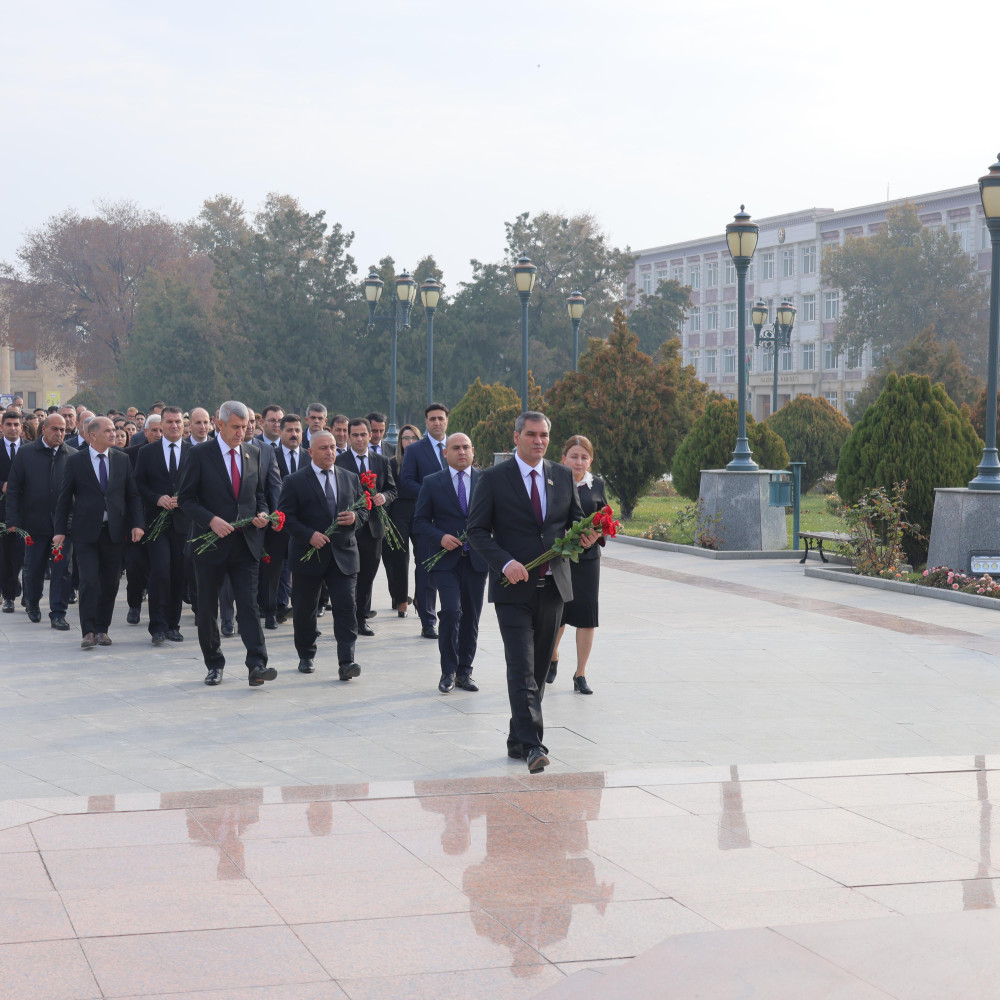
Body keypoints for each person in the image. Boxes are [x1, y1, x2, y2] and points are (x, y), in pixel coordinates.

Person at [466, 411, 595, 774]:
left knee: (538, 670)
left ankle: (516, 738)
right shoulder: (493, 479)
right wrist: (504, 563)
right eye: (532, 435)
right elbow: (475, 531)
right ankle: (534, 745)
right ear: (517, 436)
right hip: (513, 590)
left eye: (544, 436)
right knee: (520, 666)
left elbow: (573, 521)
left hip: (553, 587)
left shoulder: (561, 475)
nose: (539, 441)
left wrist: (586, 536)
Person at [177, 400, 274, 687]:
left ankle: (257, 664)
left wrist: (263, 514)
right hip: (210, 545)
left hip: (246, 544)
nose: (241, 433)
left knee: (248, 605)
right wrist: (211, 521)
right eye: (235, 427)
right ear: (219, 425)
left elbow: (259, 495)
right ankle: (214, 664)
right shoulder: (199, 454)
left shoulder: (253, 453)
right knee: (207, 607)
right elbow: (186, 499)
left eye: (245, 427)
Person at [277, 430, 365, 680]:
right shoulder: (294, 481)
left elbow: (365, 510)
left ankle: (347, 661)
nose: (330, 452)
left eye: (334, 447)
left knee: (347, 607)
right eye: (324, 448)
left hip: (343, 555)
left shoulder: (349, 477)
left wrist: (356, 518)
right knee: (305, 610)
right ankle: (306, 654)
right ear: (310, 452)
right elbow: (286, 518)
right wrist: (309, 536)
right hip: (308, 555)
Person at [53, 416, 145, 648]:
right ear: (92, 435)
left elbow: (132, 495)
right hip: (85, 532)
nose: (114, 433)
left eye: (115, 430)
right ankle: (88, 631)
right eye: (108, 430)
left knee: (111, 583)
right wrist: (60, 530)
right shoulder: (76, 461)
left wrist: (137, 524)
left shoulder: (122, 459)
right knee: (89, 581)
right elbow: (65, 498)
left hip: (114, 532)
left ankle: (103, 629)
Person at [413, 433, 487, 694]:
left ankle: (465, 672)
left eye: (466, 447)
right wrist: (440, 537)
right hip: (445, 561)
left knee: (471, 617)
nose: (461, 452)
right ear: (446, 453)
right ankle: (448, 671)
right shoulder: (432, 483)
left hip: (477, 560)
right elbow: (419, 522)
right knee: (451, 612)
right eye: (455, 448)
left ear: (473, 451)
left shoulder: (485, 481)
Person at [4, 413, 75, 628]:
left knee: (62, 570)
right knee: (33, 568)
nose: (59, 433)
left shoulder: (72, 455)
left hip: (63, 525)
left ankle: (58, 613)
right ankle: (33, 604)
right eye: (55, 429)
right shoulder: (26, 454)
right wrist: (13, 520)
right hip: (34, 523)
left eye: (63, 430)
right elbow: (14, 489)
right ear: (43, 429)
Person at [548, 435, 607, 695]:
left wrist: (598, 535)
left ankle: (580, 673)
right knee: (557, 614)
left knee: (586, 618)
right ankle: (552, 655)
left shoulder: (597, 485)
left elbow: (605, 519)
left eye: (584, 457)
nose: (579, 461)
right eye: (574, 456)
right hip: (560, 559)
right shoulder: (552, 482)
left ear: (590, 460)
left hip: (588, 560)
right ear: (563, 458)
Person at [134, 405, 192, 645]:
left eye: (178, 422)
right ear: (162, 425)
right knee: (160, 572)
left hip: (182, 523)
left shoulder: (194, 452)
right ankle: (157, 626)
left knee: (178, 574)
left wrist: (185, 499)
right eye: (169, 422)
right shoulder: (147, 452)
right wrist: (156, 497)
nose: (174, 426)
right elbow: (138, 484)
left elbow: (201, 485)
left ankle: (173, 625)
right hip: (156, 522)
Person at [335, 417, 396, 635]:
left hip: (373, 528)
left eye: (363, 434)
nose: (359, 439)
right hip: (348, 528)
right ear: (348, 437)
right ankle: (346, 619)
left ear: (371, 435)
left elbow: (392, 489)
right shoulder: (339, 461)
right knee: (346, 576)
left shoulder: (381, 461)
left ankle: (362, 618)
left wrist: (383, 497)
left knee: (367, 575)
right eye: (355, 435)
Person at [400, 402, 450, 639]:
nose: (437, 422)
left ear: (447, 421)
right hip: (426, 521)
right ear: (426, 422)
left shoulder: (458, 445)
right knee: (426, 570)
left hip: (454, 521)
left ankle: (451, 615)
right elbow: (406, 482)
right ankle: (428, 620)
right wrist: (432, 494)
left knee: (453, 571)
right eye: (432, 419)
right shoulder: (415, 450)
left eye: (440, 418)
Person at [382, 424, 421, 617]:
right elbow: (389, 489)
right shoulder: (392, 462)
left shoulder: (424, 461)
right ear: (400, 442)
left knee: (422, 556)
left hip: (421, 510)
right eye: (406, 438)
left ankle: (420, 597)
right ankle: (401, 600)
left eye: (414, 438)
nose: (410, 441)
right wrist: (386, 520)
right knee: (400, 558)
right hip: (399, 511)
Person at [0, 409, 25, 613]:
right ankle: (8, 596)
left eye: (16, 425)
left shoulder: (30, 450)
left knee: (20, 555)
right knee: (3, 556)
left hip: (25, 512)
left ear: (22, 428)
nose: (12, 428)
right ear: (2, 427)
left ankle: (24, 590)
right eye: (8, 424)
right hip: (1, 511)